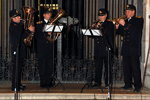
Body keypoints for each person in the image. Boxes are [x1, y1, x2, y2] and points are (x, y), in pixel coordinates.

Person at [116, 4, 143, 92]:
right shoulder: (126, 20)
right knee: (126, 67)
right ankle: (127, 84)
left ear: (133, 12)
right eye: (126, 11)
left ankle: (137, 86)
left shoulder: (138, 20)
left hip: (134, 48)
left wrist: (123, 24)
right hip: (126, 48)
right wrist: (117, 27)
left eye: (128, 11)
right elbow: (120, 32)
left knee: (135, 68)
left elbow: (132, 31)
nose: (126, 13)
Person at [9, 9, 35, 91]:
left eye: (19, 16)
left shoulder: (19, 25)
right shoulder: (13, 26)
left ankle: (18, 84)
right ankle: (15, 86)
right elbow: (20, 36)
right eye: (17, 16)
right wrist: (28, 30)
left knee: (19, 68)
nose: (20, 17)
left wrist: (30, 31)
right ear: (13, 18)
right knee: (16, 68)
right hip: (16, 50)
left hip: (21, 49)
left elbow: (23, 35)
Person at [92, 9, 114, 88]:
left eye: (102, 15)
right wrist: (93, 28)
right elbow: (91, 35)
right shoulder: (96, 23)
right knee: (98, 66)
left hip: (106, 47)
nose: (100, 17)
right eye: (99, 16)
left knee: (107, 67)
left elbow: (107, 33)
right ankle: (97, 82)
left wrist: (100, 27)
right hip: (98, 48)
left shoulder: (109, 24)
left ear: (105, 15)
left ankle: (108, 83)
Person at [35, 8, 54, 88]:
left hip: (50, 47)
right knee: (42, 65)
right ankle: (43, 82)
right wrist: (47, 33)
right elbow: (38, 35)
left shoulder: (53, 23)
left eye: (50, 13)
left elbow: (55, 35)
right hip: (42, 47)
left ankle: (49, 81)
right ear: (44, 15)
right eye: (47, 13)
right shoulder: (39, 23)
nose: (49, 15)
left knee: (49, 64)